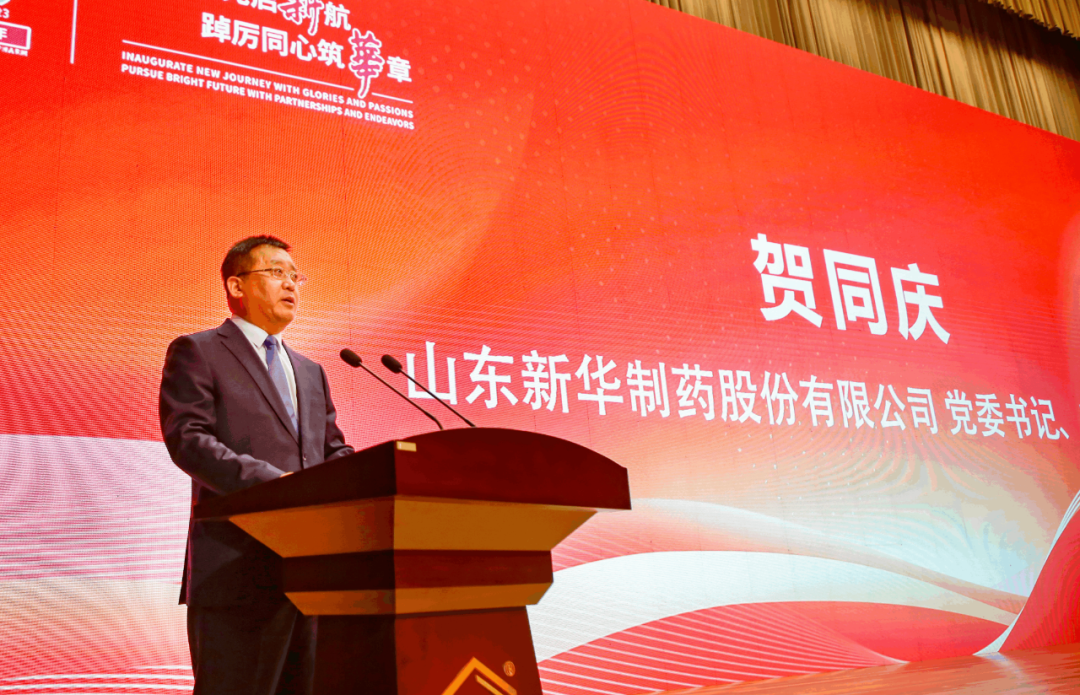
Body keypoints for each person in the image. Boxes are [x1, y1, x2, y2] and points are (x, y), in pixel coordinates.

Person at [159, 235, 354, 695]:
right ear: (236, 285)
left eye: (295, 276)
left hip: (311, 576)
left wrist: (360, 482)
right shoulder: (198, 351)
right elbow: (189, 440)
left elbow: (332, 449)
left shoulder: (311, 371)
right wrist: (275, 483)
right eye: (276, 272)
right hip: (236, 573)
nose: (291, 284)